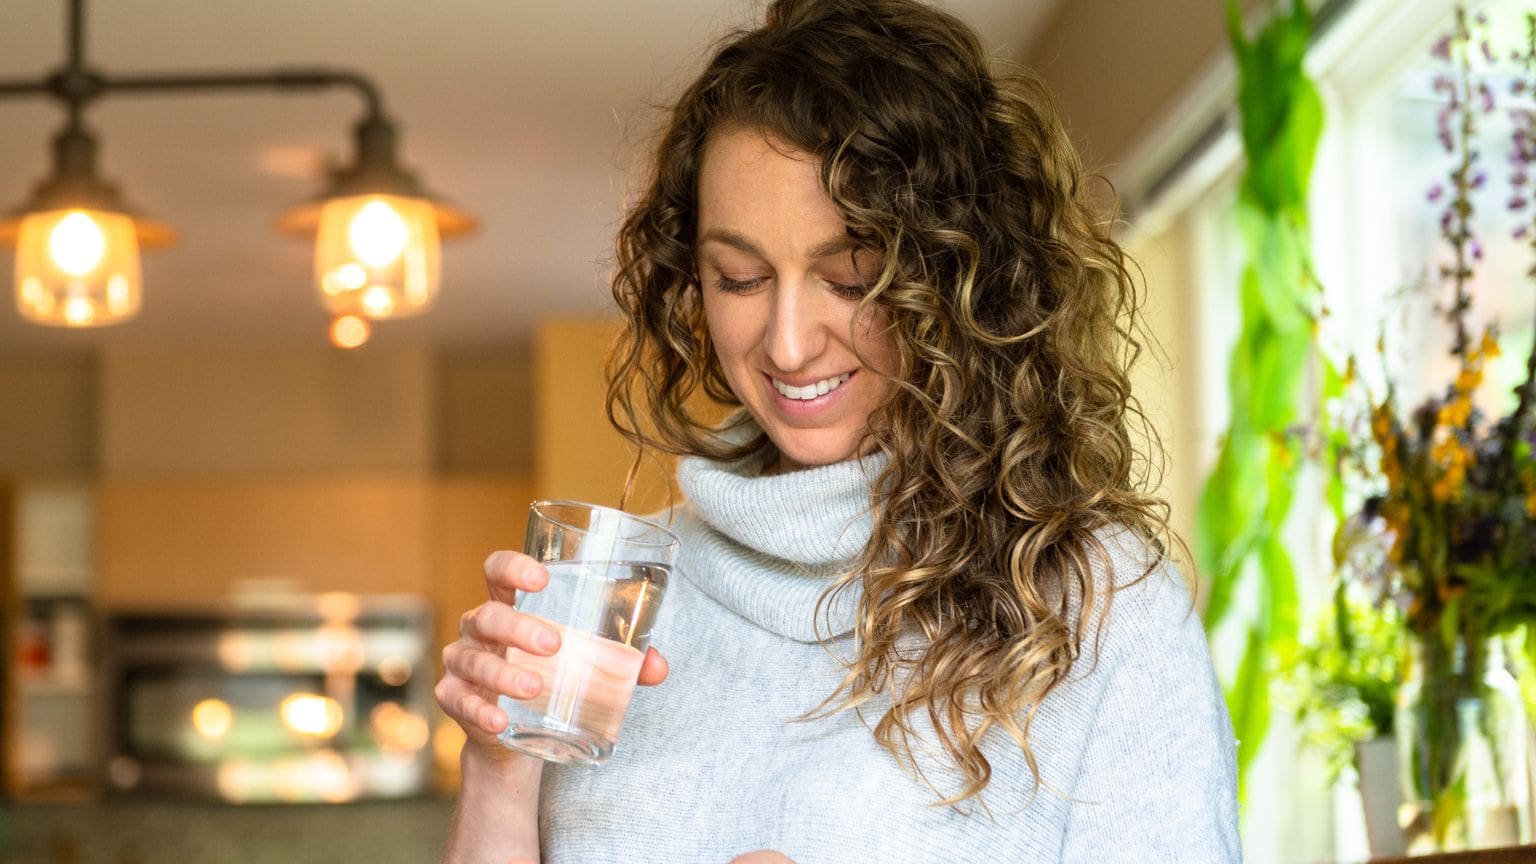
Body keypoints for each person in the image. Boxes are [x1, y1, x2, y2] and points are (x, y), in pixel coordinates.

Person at [436, 1, 1241, 862]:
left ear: (964, 280)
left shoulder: (1097, 608)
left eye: (852, 279)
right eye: (739, 278)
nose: (784, 344)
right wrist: (498, 769)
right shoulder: (626, 607)